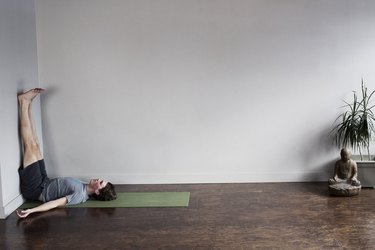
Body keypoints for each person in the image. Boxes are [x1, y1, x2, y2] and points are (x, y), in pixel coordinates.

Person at [17, 88, 117, 218]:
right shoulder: (84, 185)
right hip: (44, 181)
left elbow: (55, 203)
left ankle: (23, 102)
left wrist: (31, 211)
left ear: (97, 192)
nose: (98, 179)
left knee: (30, 145)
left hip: (36, 189)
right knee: (35, 143)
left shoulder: (80, 196)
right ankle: (29, 104)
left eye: (101, 182)